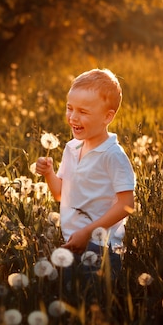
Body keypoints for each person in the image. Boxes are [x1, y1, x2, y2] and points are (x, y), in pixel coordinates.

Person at [35, 68, 135, 287]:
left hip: (102, 246)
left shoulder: (113, 155)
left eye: (83, 111)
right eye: (70, 108)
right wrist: (49, 173)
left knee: (95, 302)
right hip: (72, 240)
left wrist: (88, 233)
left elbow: (127, 205)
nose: (73, 117)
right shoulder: (71, 148)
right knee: (69, 297)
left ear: (108, 116)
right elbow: (61, 195)